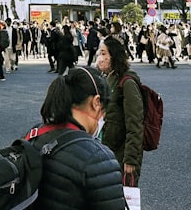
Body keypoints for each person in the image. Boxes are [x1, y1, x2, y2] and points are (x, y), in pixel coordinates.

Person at [29, 66, 126, 208]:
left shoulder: (34, 134)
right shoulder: (98, 158)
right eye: (104, 112)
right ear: (96, 102)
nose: (102, 119)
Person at [96, 36, 144, 187]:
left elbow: (135, 123)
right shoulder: (107, 79)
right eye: (99, 53)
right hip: (106, 149)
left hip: (121, 153)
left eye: (104, 54)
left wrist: (130, 159)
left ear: (114, 56)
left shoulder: (127, 83)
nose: (100, 58)